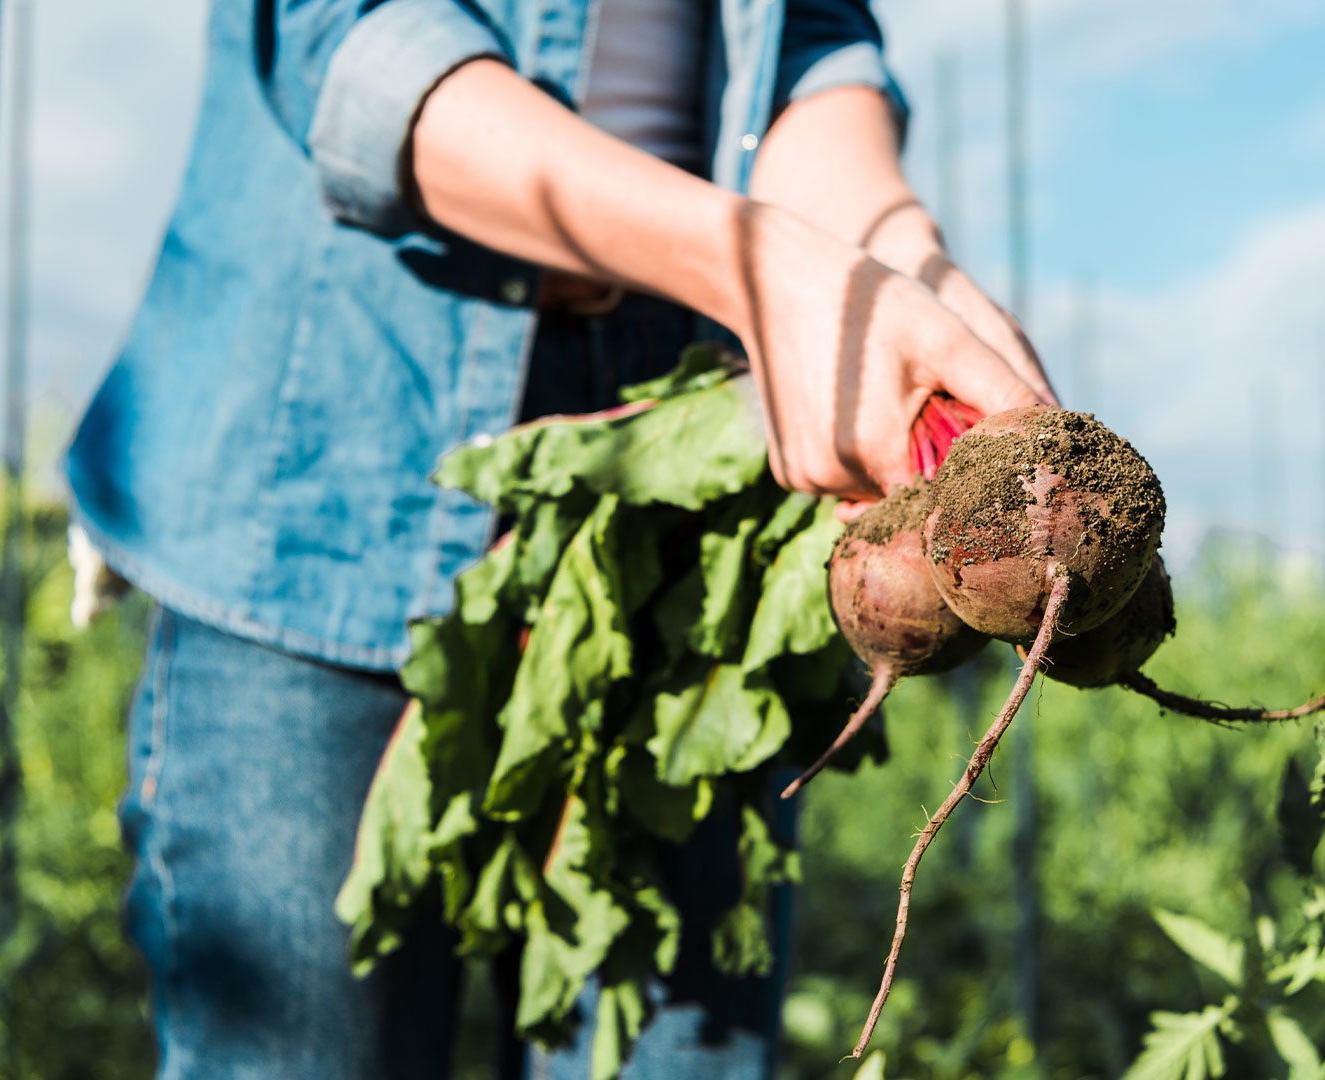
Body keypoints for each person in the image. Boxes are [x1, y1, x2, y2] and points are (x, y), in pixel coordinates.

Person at [63, 0, 1057, 1076]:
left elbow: (807, 49)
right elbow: (359, 49)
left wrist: (904, 262)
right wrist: (754, 265)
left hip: (682, 501)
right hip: (330, 443)